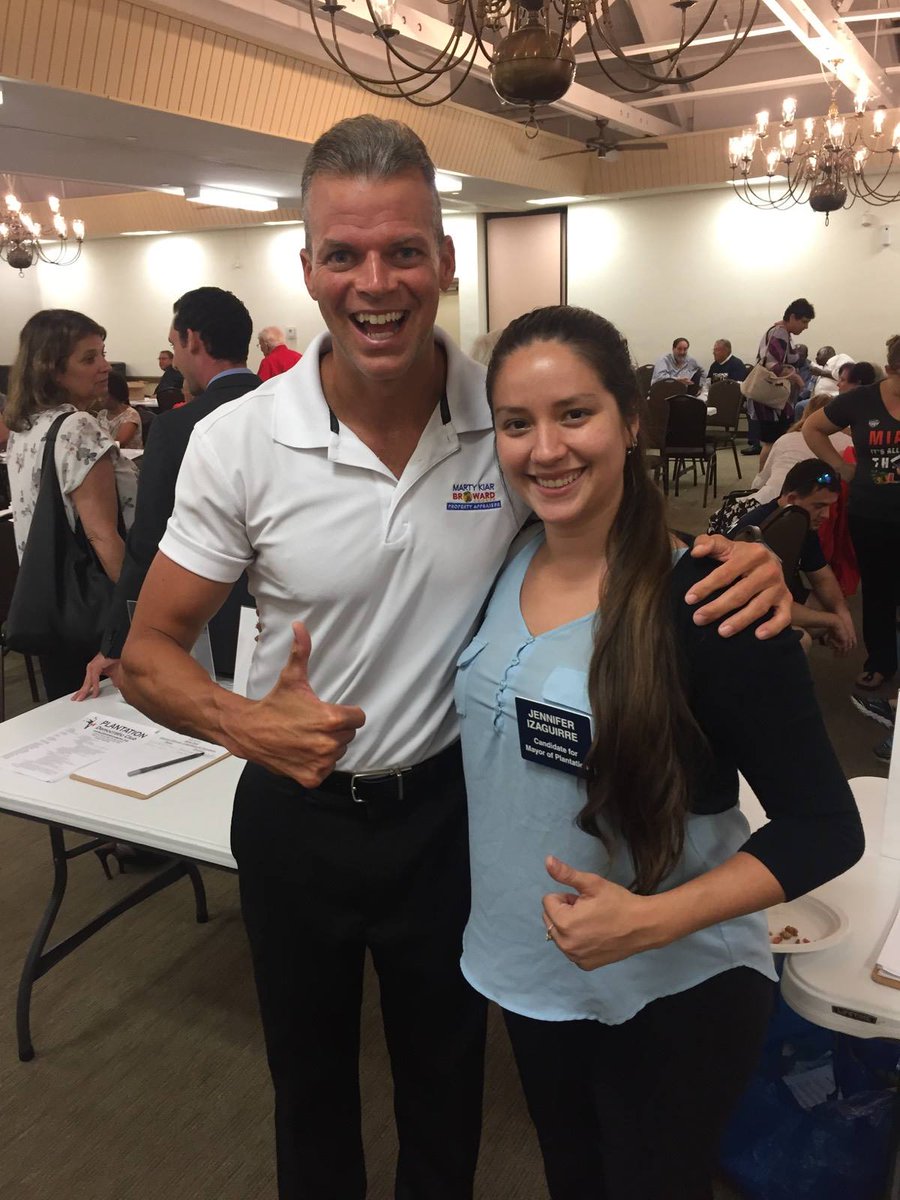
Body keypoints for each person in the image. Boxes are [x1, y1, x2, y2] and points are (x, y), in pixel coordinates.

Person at [116, 115, 792, 1200]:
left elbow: (602, 512)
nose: (375, 283)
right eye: (344, 254)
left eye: (403, 251)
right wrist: (244, 723)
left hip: (450, 816)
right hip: (295, 814)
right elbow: (148, 650)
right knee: (308, 1088)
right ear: (308, 267)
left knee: (446, 1084)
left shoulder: (503, 410)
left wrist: (734, 559)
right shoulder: (237, 440)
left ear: (444, 259)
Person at [457, 305, 863, 1200]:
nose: (545, 449)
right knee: (573, 1178)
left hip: (672, 987)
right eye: (517, 424)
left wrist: (652, 920)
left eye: (575, 414)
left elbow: (825, 827)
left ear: (631, 420)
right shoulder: (499, 559)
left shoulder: (712, 602)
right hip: (530, 974)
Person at [77, 287, 261, 699]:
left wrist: (116, 642)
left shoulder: (178, 428)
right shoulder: (296, 411)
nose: (174, 360)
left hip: (214, 625)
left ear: (192, 339)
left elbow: (148, 544)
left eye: (173, 345)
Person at [5, 310, 137, 699]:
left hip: (51, 600)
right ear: (53, 370)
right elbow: (102, 535)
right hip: (95, 606)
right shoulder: (77, 428)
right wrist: (139, 612)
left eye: (102, 353)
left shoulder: (26, 428)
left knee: (71, 708)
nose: (105, 366)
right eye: (89, 358)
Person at [804, 333, 900, 691]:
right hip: (871, 513)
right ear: (890, 370)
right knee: (878, 590)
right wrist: (840, 467)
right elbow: (813, 427)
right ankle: (881, 662)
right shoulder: (861, 400)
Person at [730, 459, 856, 656]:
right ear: (791, 498)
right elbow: (767, 603)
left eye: (829, 506)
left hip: (779, 592)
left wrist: (842, 612)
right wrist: (833, 621)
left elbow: (822, 577)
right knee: (799, 640)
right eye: (819, 506)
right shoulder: (759, 531)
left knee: (833, 605)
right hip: (741, 605)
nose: (826, 515)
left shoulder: (801, 520)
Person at [747, 394, 852, 505]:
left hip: (773, 501)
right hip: (822, 504)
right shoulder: (848, 443)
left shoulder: (786, 439)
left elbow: (762, 480)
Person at [748, 298, 815, 469]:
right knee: (772, 443)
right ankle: (763, 480)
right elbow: (771, 364)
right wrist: (796, 378)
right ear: (792, 317)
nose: (806, 327)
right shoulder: (780, 333)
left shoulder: (782, 332)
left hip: (775, 398)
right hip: (772, 399)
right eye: (804, 322)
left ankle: (768, 478)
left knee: (774, 442)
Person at [96, 370, 143, 450]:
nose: (99, 399)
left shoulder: (131, 415)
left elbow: (120, 443)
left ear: (115, 393)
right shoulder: (102, 414)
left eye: (104, 395)